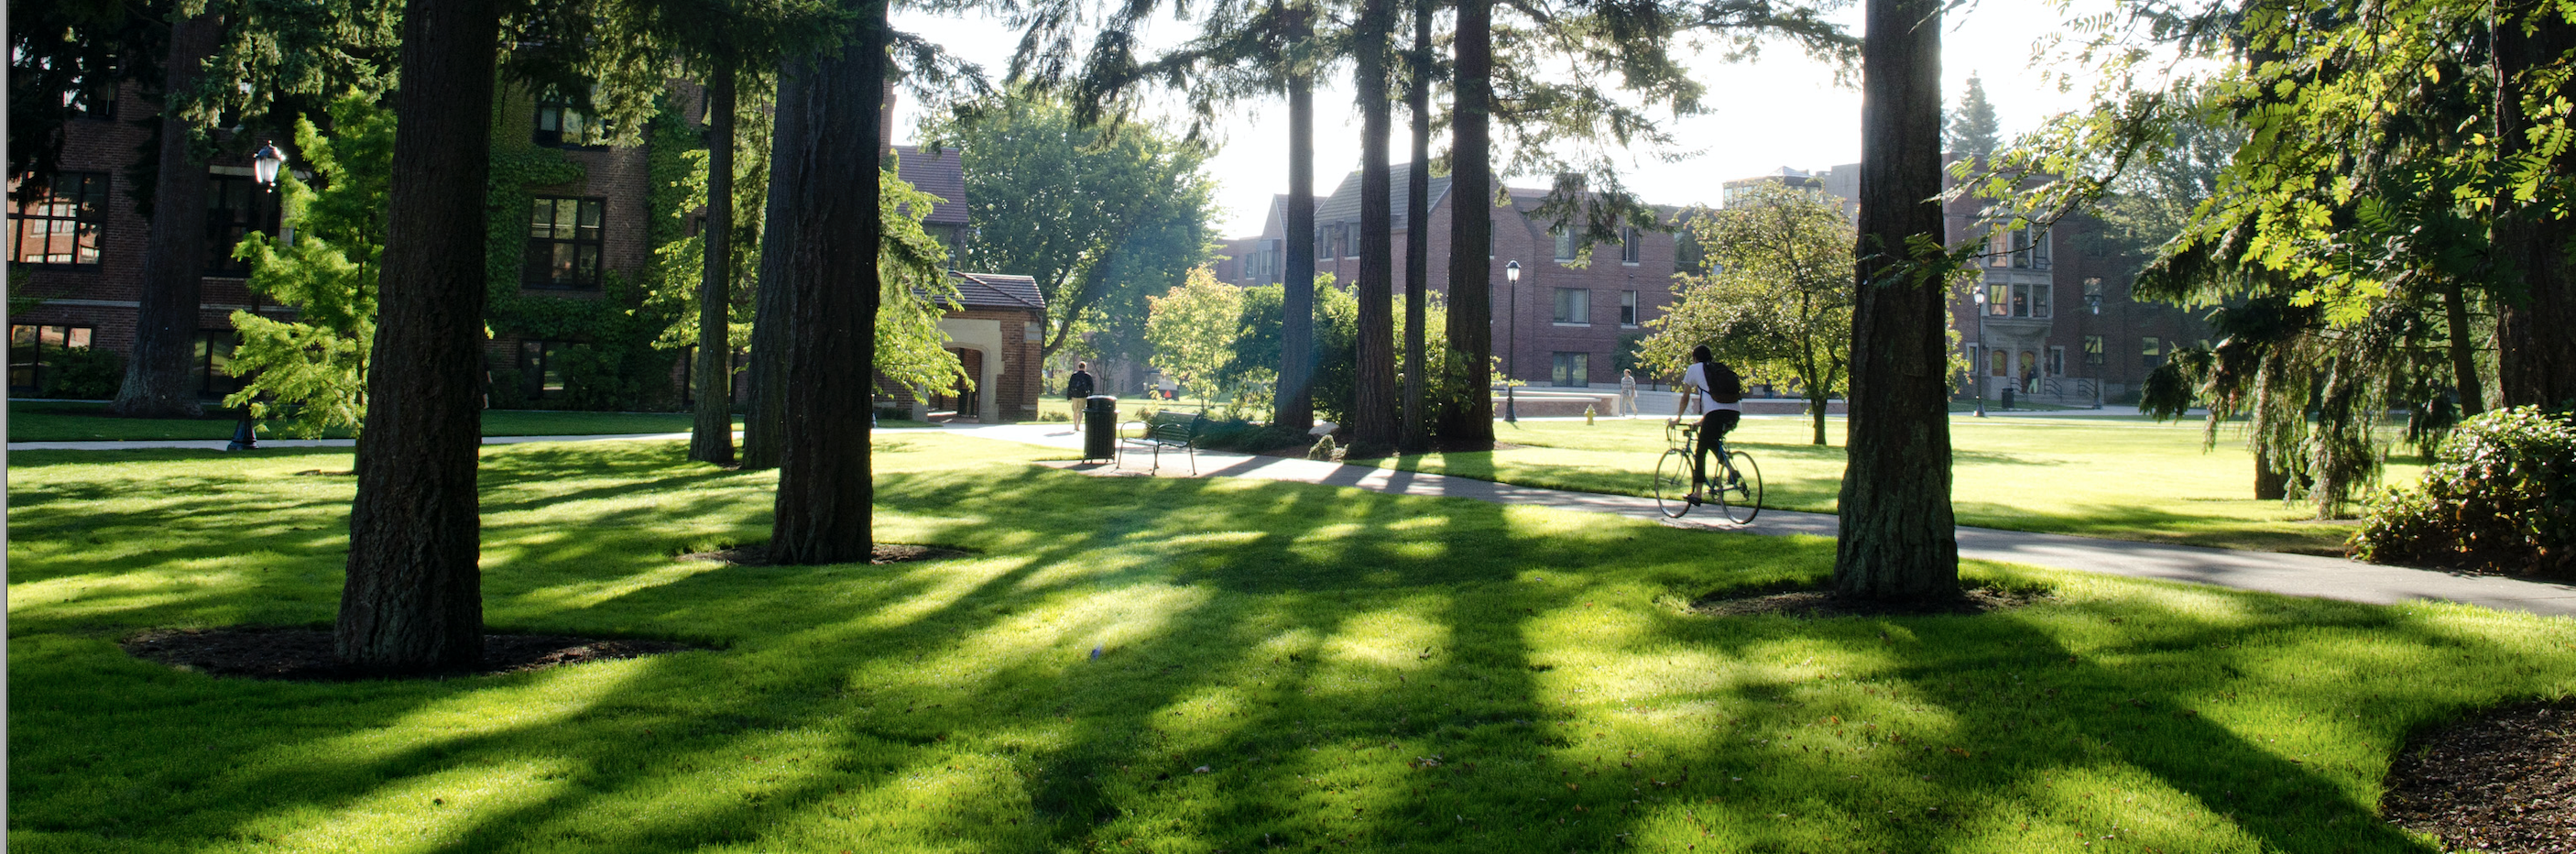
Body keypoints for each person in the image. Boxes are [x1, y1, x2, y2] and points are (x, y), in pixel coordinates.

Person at [1671, 345, 1743, 504]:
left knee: (1701, 449)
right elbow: (1714, 403)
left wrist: (1678, 418)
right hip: (1735, 411)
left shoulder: (1694, 369)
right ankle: (1732, 472)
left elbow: (1685, 397)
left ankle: (1697, 493)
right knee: (1711, 440)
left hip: (1715, 414)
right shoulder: (1718, 369)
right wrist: (1701, 421)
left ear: (1695, 358)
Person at [1065, 361, 1097, 431]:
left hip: (1074, 396)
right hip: (1083, 396)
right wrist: (1090, 395)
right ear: (1085, 367)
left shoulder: (1074, 375)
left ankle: (1075, 425)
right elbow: (1091, 386)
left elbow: (1070, 386)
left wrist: (1069, 396)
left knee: (1075, 411)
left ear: (1078, 367)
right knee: (1081, 411)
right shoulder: (1087, 376)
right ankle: (1078, 426)